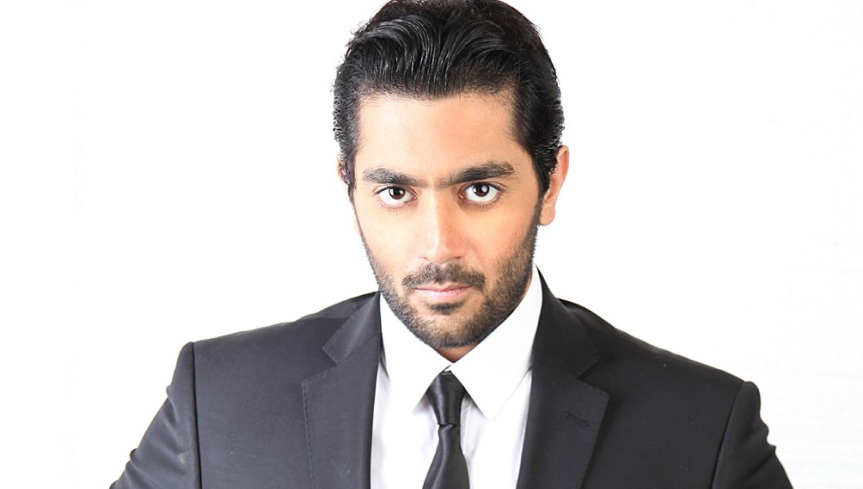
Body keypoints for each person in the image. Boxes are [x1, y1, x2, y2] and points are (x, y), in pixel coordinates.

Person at [112, 0, 792, 487]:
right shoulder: (217, 403)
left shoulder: (704, 432)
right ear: (349, 186)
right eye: (396, 192)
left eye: (480, 189)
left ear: (550, 183)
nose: (438, 246)